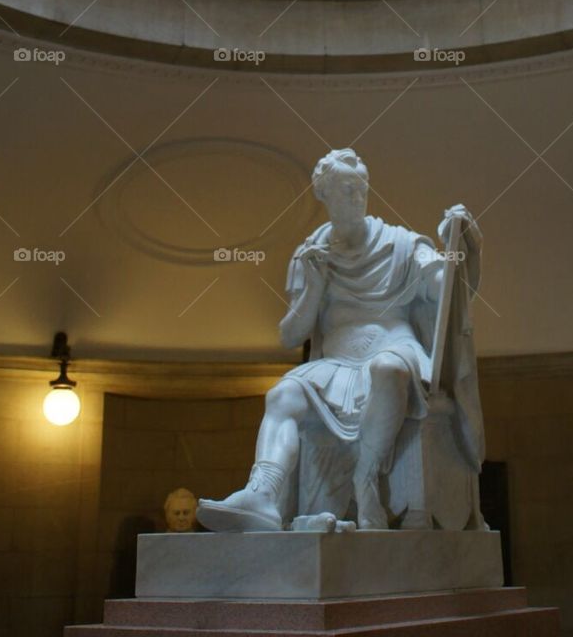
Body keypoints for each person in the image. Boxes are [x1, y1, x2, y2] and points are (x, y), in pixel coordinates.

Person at [197, 148, 482, 532]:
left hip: (395, 349)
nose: (357, 195)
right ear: (325, 194)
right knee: (281, 395)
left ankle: (365, 479)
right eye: (347, 188)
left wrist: (457, 250)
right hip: (335, 366)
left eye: (361, 187)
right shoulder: (310, 254)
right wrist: (314, 288)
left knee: (387, 369)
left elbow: (445, 291)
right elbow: (290, 335)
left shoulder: (402, 243)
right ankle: (263, 493)